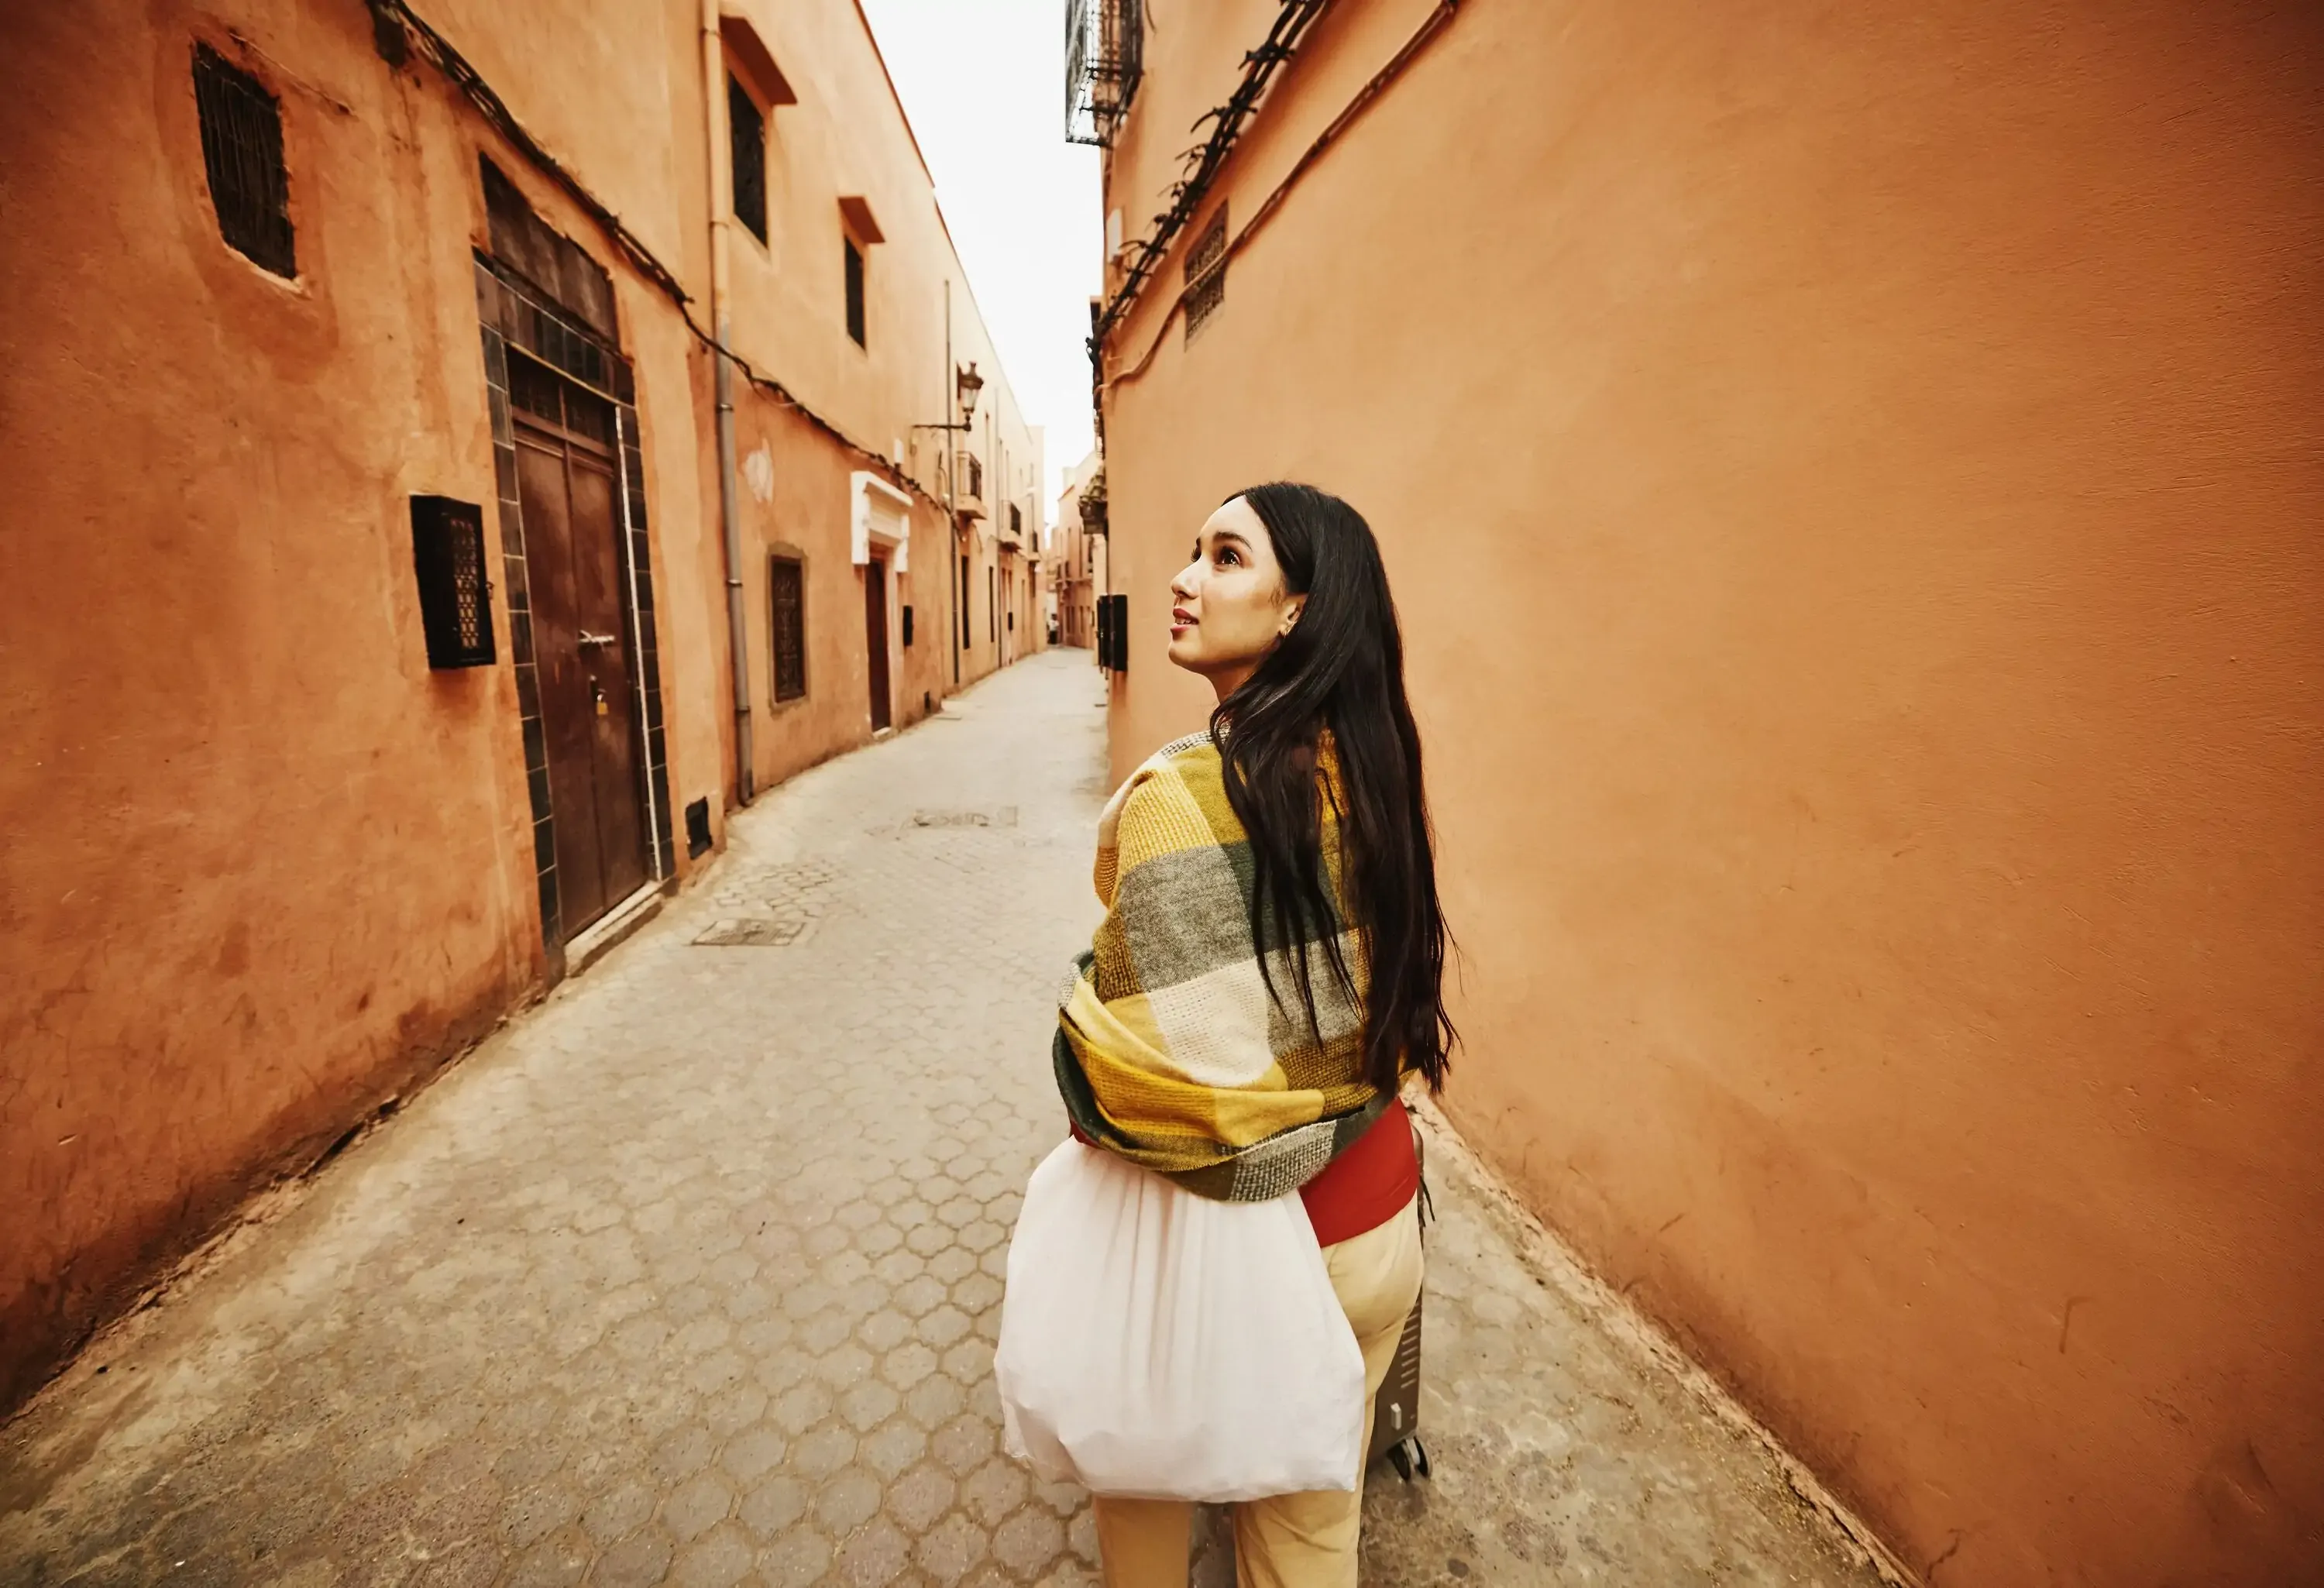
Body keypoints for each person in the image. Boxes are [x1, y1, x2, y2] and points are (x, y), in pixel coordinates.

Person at [1052, 482, 1456, 1588]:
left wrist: (1079, 1040)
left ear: (1295, 612)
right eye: (1192, 551)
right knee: (1309, 1541)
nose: (1183, 579)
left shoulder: (1176, 796)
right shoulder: (1377, 777)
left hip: (1235, 1250)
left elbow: (1141, 1077)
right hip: (1376, 1229)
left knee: (1140, 1485)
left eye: (1226, 557)